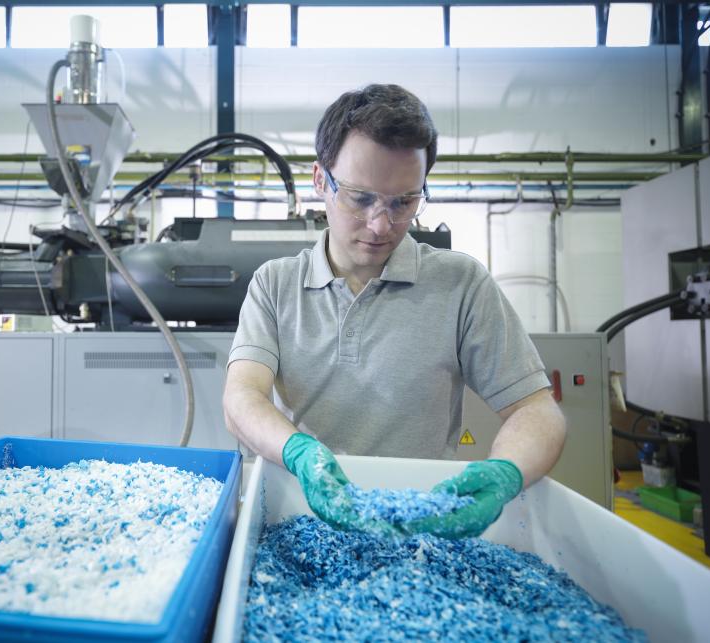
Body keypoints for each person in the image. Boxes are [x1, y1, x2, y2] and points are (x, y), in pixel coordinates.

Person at [222, 84, 566, 539]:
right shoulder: (276, 284)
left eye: (404, 202)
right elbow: (242, 397)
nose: (381, 225)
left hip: (423, 528)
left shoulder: (461, 285)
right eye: (360, 198)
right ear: (320, 181)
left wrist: (506, 472)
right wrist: (302, 454)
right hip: (299, 518)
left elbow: (537, 411)